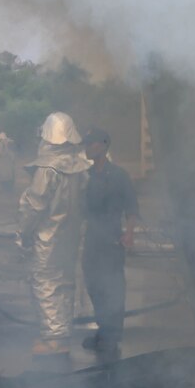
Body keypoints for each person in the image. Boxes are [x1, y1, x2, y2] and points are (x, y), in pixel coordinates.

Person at [18, 112, 90, 357]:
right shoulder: (80, 166)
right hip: (70, 235)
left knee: (46, 284)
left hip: (48, 236)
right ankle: (62, 332)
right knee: (65, 283)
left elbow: (34, 205)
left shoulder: (47, 168)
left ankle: (53, 339)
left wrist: (23, 233)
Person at [80, 128, 138, 355]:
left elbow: (132, 207)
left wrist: (129, 233)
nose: (86, 148)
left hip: (113, 238)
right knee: (94, 285)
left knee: (112, 287)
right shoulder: (87, 176)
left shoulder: (119, 175)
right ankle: (103, 330)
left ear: (103, 146)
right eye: (86, 144)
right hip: (93, 238)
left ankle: (113, 336)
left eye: (91, 143)